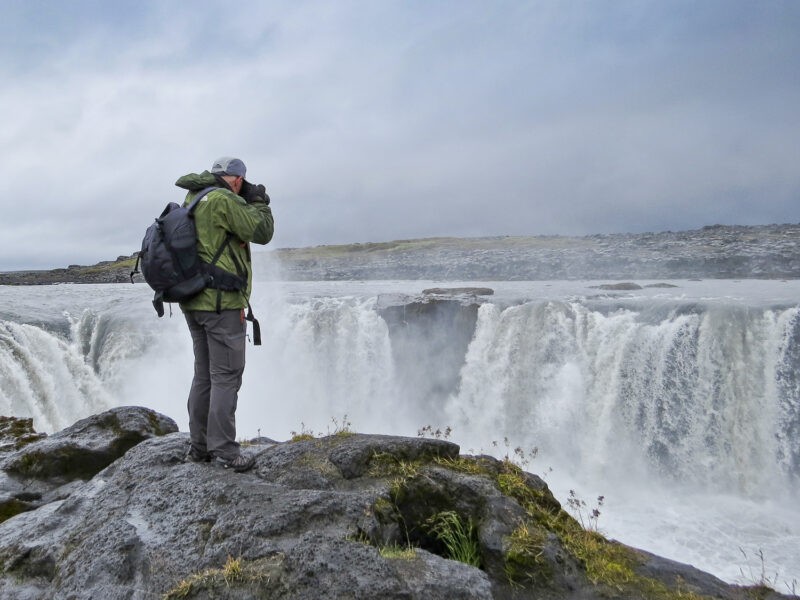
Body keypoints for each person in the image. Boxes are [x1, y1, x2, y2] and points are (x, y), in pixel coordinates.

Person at [175, 157, 274, 472]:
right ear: (235, 179)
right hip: (221, 304)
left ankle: (199, 447)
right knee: (226, 377)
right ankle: (227, 452)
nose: (242, 185)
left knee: (204, 375)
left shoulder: (194, 196)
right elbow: (262, 230)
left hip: (193, 303)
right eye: (242, 181)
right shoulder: (222, 199)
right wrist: (258, 201)